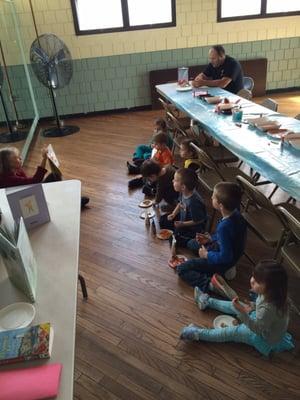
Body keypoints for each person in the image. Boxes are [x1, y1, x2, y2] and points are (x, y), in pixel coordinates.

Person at [180, 260, 295, 357]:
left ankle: (197, 334)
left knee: (232, 332)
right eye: (254, 276)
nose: (252, 280)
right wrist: (252, 306)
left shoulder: (268, 308)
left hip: (263, 336)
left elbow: (257, 329)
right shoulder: (275, 295)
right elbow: (262, 309)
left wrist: (243, 313)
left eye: (257, 281)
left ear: (271, 288)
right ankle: (207, 302)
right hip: (264, 321)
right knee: (234, 304)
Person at [176, 182, 247, 289]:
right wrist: (209, 239)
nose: (211, 197)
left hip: (223, 261)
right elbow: (228, 238)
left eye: (213, 197)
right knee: (192, 243)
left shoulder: (225, 226)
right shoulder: (236, 213)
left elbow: (226, 256)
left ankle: (211, 284)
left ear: (220, 206)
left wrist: (207, 255)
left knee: (182, 269)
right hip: (225, 251)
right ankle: (178, 240)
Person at [0, 146, 89, 208]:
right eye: (17, 158)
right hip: (26, 202)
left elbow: (30, 183)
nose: (21, 158)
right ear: (8, 164)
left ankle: (68, 199)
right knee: (54, 177)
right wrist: (44, 158)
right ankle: (72, 203)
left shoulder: (16, 171)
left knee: (55, 176)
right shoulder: (8, 179)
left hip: (28, 194)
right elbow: (35, 181)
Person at [159, 168, 207, 247]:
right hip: (184, 219)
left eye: (175, 180)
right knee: (163, 220)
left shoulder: (193, 202)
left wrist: (182, 224)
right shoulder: (183, 192)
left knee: (175, 239)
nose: (172, 181)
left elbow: (199, 220)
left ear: (183, 187)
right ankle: (176, 232)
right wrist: (173, 214)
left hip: (192, 227)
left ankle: (185, 239)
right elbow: (180, 204)